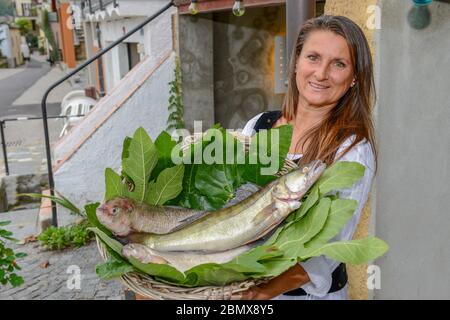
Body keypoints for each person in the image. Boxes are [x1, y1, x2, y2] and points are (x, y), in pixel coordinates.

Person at [240, 15, 377, 300]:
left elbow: (330, 249)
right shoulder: (257, 126)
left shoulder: (352, 150)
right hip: (242, 284)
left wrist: (266, 291)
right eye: (313, 57)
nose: (321, 73)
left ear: (354, 78)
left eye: (338, 64)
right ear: (296, 63)